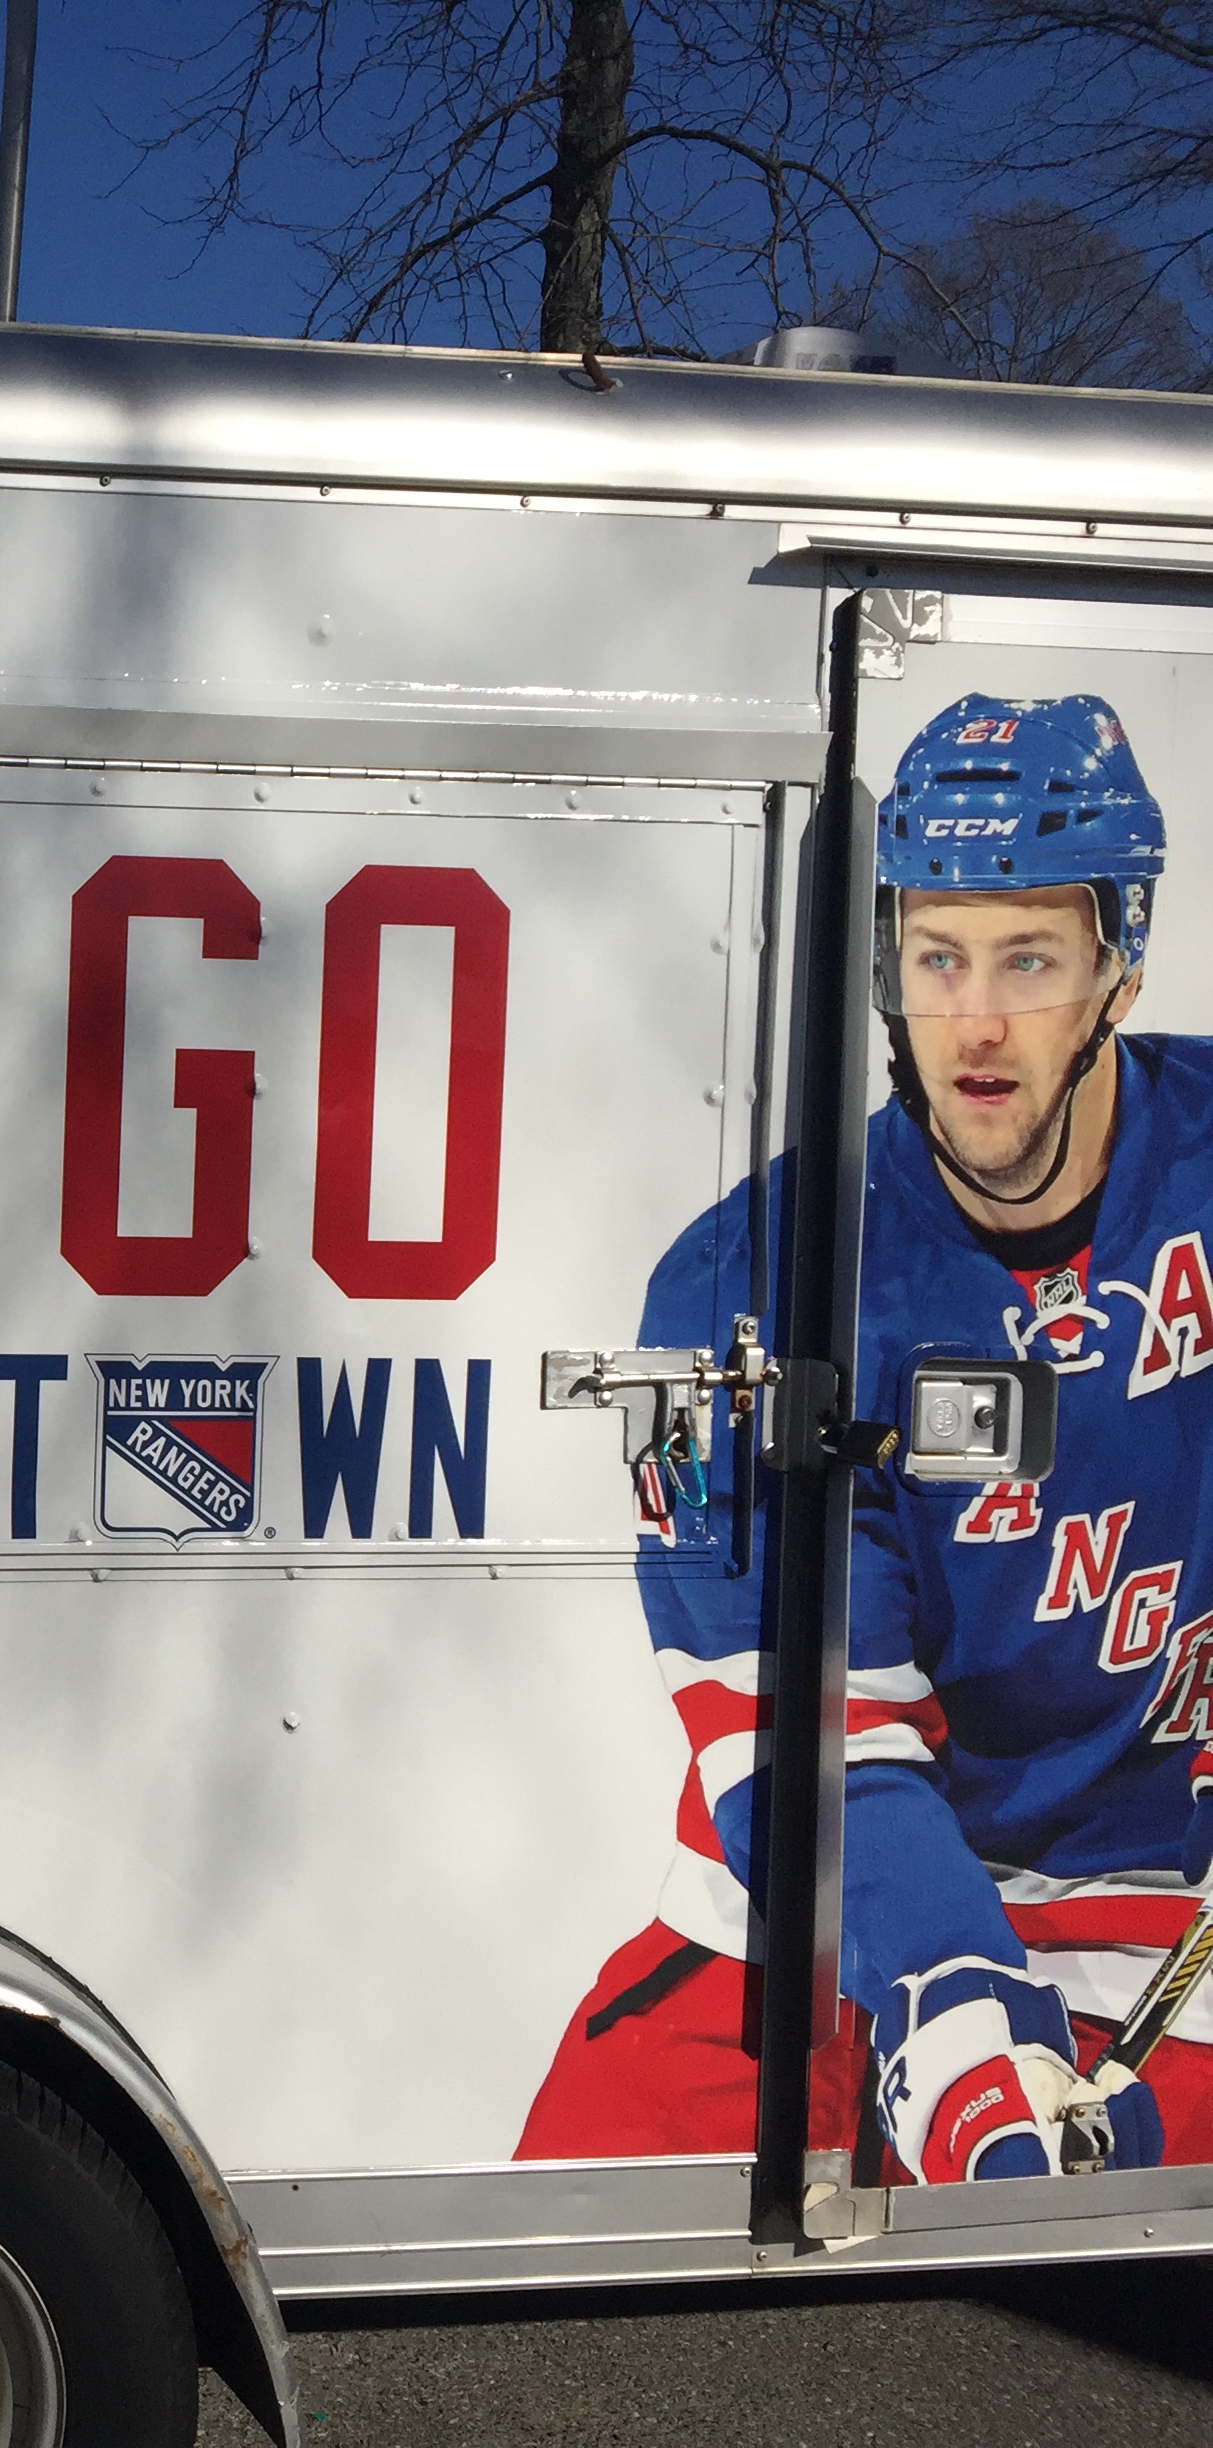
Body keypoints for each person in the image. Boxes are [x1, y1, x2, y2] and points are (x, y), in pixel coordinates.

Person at [521, 691, 1213, 2185]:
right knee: (563, 2265)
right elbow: (809, 1735)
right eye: (937, 956)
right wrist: (961, 2025)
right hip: (809, 1916)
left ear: (1121, 959)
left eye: (1029, 958)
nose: (977, 1023)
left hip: (1150, 1920)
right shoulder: (747, 1284)